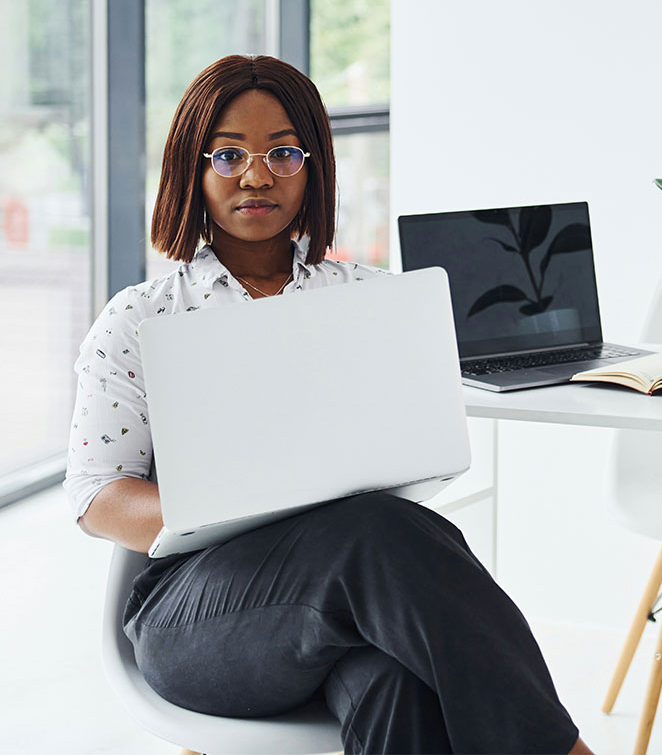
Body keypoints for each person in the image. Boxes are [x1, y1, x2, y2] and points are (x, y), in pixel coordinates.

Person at [65, 54, 594, 755]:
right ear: (192, 169)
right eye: (228, 156)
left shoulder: (371, 303)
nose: (257, 176)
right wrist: (226, 504)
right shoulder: (142, 316)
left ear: (313, 165)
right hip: (199, 616)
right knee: (375, 532)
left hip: (350, 600)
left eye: (283, 152)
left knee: (394, 682)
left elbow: (419, 428)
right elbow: (96, 498)